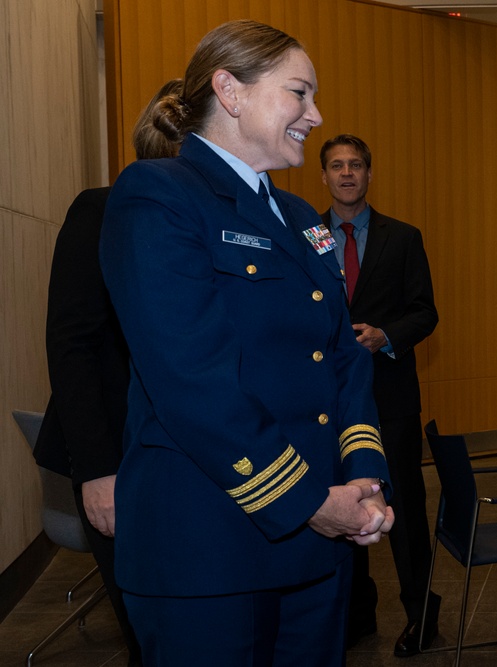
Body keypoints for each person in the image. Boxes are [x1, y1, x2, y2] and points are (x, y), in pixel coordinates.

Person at [98, 20, 393, 666]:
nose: (315, 115)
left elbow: (342, 355)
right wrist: (311, 501)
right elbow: (193, 381)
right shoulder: (156, 196)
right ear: (229, 91)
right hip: (207, 552)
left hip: (315, 549)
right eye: (299, 93)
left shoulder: (295, 218)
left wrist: (361, 472)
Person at [34, 77, 184, 667]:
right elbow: (70, 345)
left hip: (189, 457)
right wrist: (97, 472)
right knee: (149, 631)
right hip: (116, 459)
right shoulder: (100, 209)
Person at [318, 134, 440, 656]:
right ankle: (356, 612)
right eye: (336, 166)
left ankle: (421, 613)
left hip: (390, 398)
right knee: (342, 506)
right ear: (323, 176)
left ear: (369, 174)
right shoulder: (303, 238)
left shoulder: (403, 237)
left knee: (406, 509)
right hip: (326, 406)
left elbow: (425, 312)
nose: (347, 174)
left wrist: (384, 336)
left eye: (356, 165)